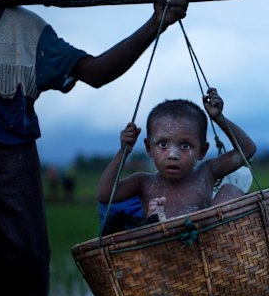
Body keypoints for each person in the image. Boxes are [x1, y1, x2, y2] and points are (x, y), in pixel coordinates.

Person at [0, 0, 188, 296]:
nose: (173, 154)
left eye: (185, 146)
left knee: (23, 268)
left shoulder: (23, 32)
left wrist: (155, 23)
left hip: (11, 174)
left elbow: (94, 71)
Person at [97, 88, 256, 225]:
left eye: (185, 146)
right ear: (149, 148)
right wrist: (123, 151)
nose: (173, 155)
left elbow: (247, 150)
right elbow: (105, 195)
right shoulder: (143, 183)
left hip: (208, 246)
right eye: (163, 144)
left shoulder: (206, 173)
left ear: (202, 151)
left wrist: (218, 118)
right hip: (163, 253)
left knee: (230, 190)